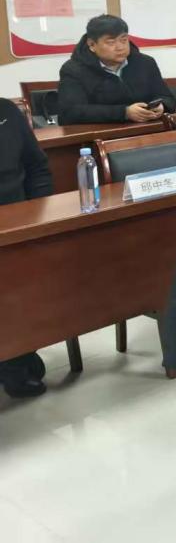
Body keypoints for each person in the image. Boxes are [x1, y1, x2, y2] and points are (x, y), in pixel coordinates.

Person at [0, 97, 53, 398]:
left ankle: (16, 358)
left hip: (19, 225)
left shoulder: (6, 111)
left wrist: (38, 213)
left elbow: (37, 167)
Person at [57, 14, 175, 125]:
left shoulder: (145, 62)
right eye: (111, 42)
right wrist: (125, 113)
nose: (120, 47)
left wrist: (162, 106)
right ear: (92, 44)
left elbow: (167, 98)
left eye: (124, 40)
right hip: (101, 134)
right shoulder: (73, 70)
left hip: (147, 129)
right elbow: (70, 113)